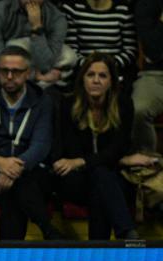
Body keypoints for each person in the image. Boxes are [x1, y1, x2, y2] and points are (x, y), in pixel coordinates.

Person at [51, 53, 148, 239]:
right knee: (101, 179)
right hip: (75, 180)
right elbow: (71, 149)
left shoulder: (123, 104)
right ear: (82, 79)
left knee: (100, 183)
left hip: (110, 177)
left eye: (102, 76)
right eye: (90, 75)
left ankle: (98, 249)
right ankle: (126, 232)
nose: (96, 80)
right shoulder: (68, 104)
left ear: (111, 81)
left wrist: (82, 161)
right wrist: (121, 160)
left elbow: (118, 148)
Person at [0, 45, 59, 240]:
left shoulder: (43, 102)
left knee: (13, 192)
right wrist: (1, 163)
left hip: (31, 171)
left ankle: (7, 256)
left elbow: (41, 145)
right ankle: (50, 232)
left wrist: (14, 170)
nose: (9, 76)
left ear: (28, 73)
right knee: (15, 189)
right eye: (4, 71)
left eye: (16, 71)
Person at [0, 0, 72, 91]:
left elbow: (45, 66)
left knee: (69, 58)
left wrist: (36, 28)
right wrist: (34, 76)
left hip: (40, 77)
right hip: (0, 76)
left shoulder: (56, 18)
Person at [59, 0, 137, 88]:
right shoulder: (72, 8)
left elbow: (130, 51)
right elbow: (71, 51)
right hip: (81, 73)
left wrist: (108, 66)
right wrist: (90, 66)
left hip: (115, 74)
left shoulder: (124, 10)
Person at [131, 0, 163, 153]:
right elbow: (154, 49)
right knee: (139, 109)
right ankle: (147, 166)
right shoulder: (147, 3)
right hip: (157, 74)